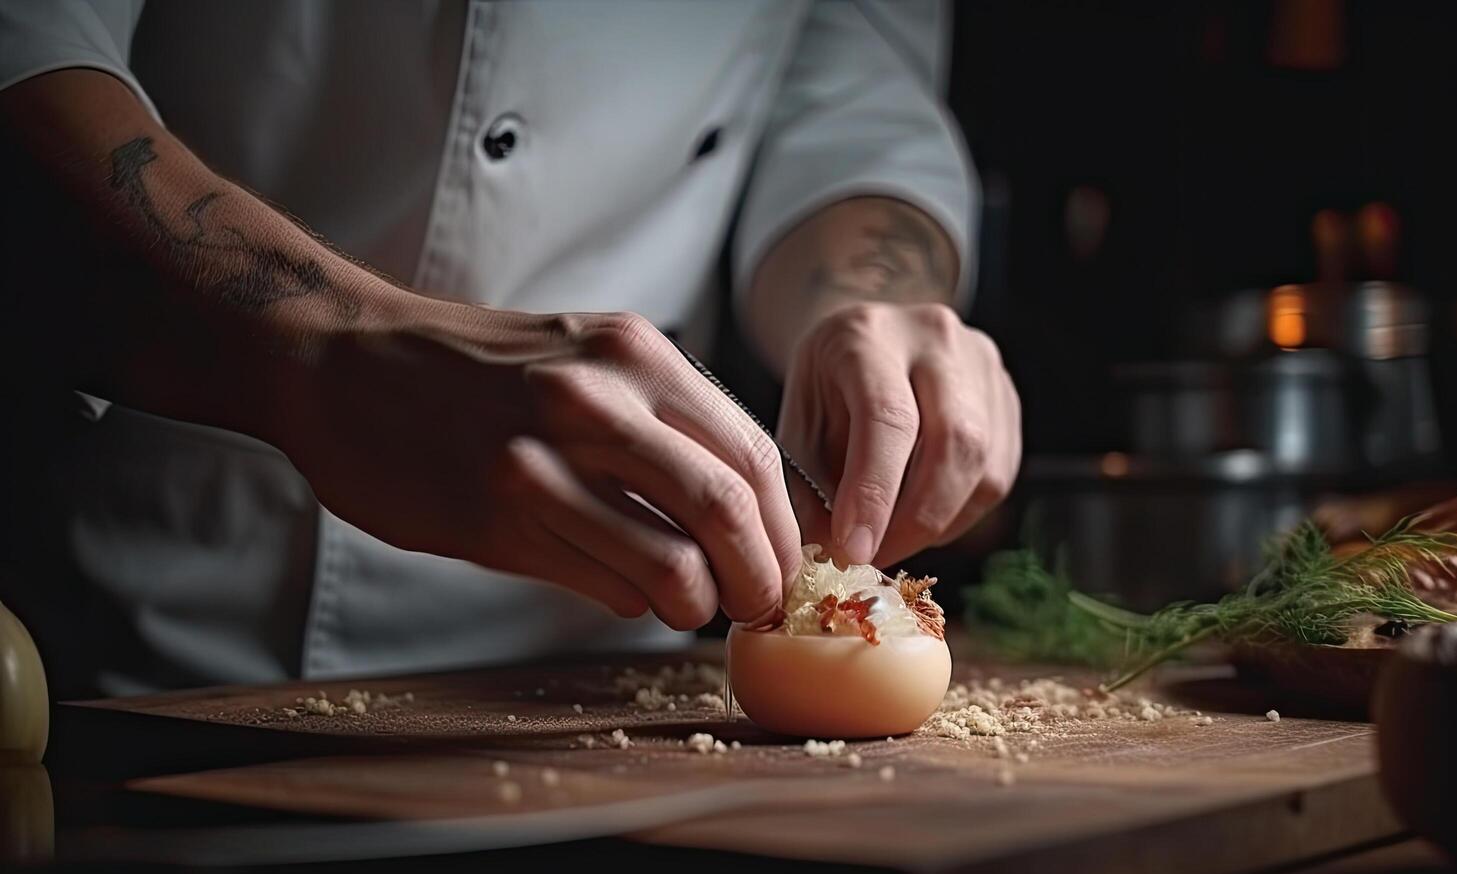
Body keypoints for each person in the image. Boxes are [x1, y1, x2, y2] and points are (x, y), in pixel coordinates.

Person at [0, 1, 1021, 697]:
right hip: (128, 627)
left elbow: (845, 89)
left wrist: (867, 305)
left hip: (604, 673)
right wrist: (325, 352)